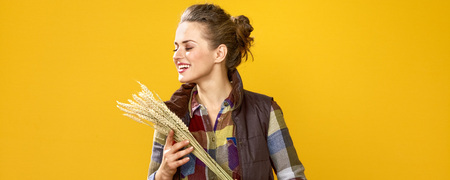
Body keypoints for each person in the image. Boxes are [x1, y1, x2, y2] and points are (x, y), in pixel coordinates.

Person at [148, 3, 306, 180]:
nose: (176, 55)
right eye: (175, 47)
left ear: (219, 53)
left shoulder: (265, 111)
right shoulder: (169, 116)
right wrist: (163, 174)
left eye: (188, 47)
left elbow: (292, 176)